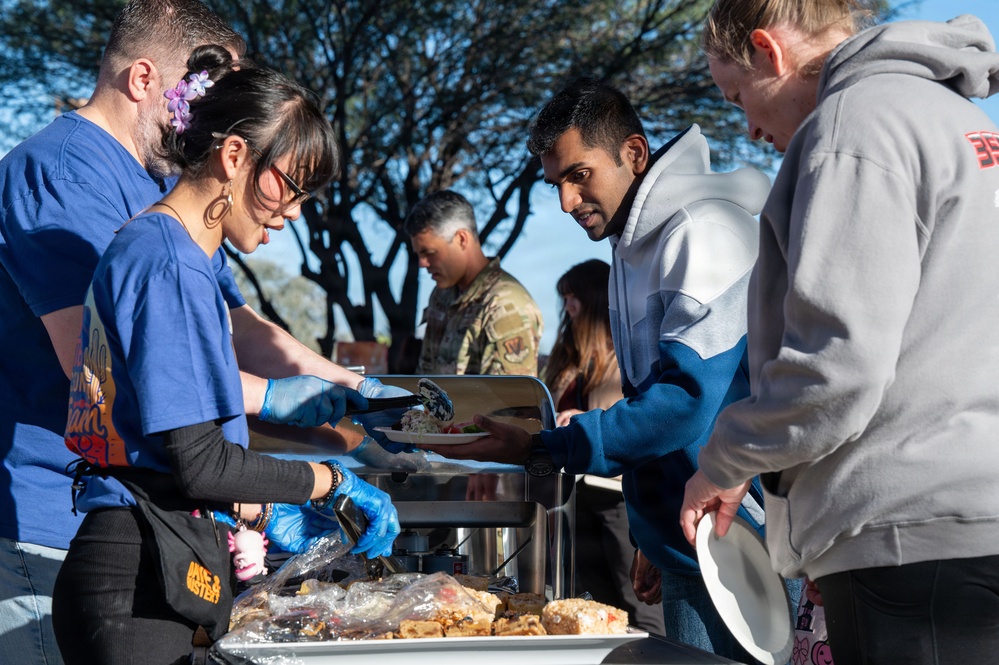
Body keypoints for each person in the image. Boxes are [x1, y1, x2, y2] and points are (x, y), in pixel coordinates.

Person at [0, 2, 402, 663]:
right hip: (60, 521)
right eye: (204, 90)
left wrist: (353, 390)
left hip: (162, 530)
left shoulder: (175, 216)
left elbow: (234, 328)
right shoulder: (73, 178)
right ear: (144, 78)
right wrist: (316, 475)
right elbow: (122, 376)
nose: (208, 112)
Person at [419, 78, 785, 660]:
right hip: (687, 537)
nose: (567, 202)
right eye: (556, 184)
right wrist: (650, 528)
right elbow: (654, 404)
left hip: (738, 537)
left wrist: (544, 447)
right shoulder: (629, 244)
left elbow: (687, 405)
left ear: (634, 153)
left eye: (580, 175)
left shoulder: (700, 232)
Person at [679, 3, 999, 664]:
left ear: (768, 50)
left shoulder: (853, 125)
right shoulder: (960, 120)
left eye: (737, 97)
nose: (749, 127)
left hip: (910, 538)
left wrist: (724, 460)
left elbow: (834, 368)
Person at [544, 259, 666, 636]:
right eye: (564, 298)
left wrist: (583, 418)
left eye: (573, 297)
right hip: (576, 492)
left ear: (595, 298)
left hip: (617, 493)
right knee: (596, 605)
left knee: (637, 598)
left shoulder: (625, 353)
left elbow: (636, 416)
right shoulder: (568, 355)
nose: (567, 307)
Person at [404, 189, 543, 376]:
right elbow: (425, 376)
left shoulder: (505, 306)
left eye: (429, 253)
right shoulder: (441, 295)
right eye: (419, 255)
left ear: (461, 239)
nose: (422, 263)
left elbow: (508, 394)